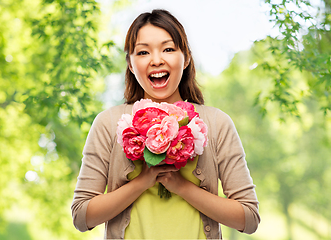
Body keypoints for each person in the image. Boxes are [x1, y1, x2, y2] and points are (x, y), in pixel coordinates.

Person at [71, 9, 260, 239]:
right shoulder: (109, 123)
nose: (157, 60)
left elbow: (248, 218)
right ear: (130, 64)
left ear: (186, 57)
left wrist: (181, 186)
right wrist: (142, 181)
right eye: (142, 52)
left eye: (168, 49)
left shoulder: (217, 123)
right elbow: (82, 216)